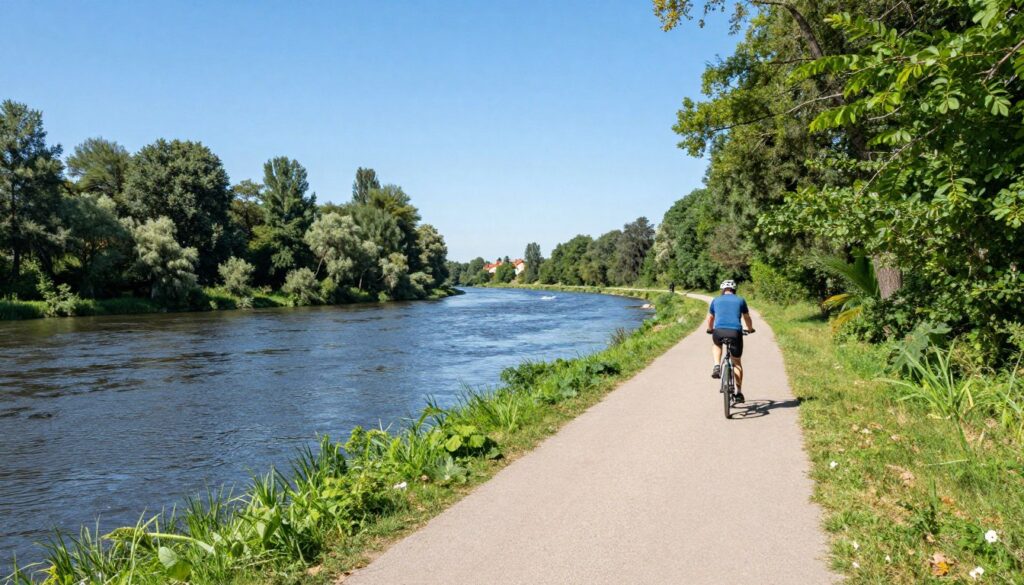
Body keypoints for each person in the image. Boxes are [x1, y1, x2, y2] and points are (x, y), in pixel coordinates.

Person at [706, 279, 754, 403]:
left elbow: (711, 317)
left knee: (717, 344)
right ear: (734, 290)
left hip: (719, 331)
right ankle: (739, 392)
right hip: (735, 332)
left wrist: (710, 329)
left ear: (723, 290)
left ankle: (717, 365)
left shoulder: (716, 300)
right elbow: (747, 317)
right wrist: (750, 329)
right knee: (736, 362)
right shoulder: (740, 300)